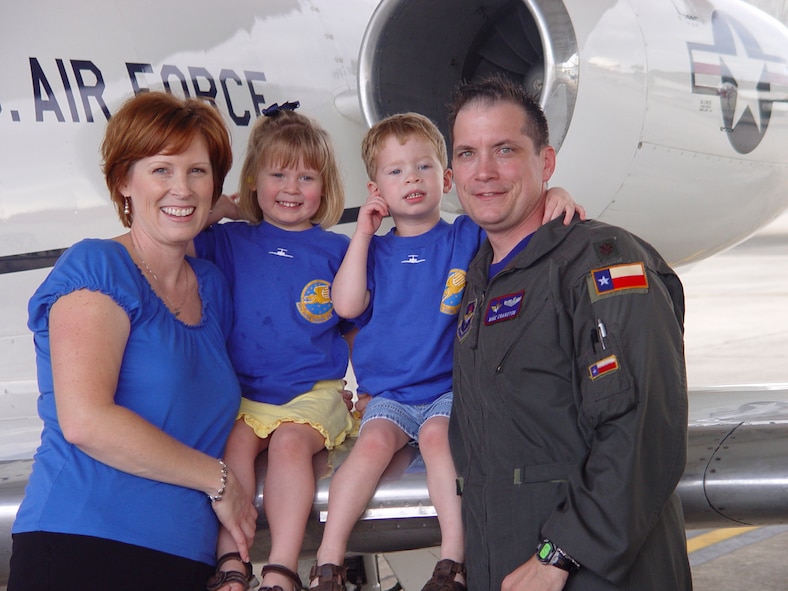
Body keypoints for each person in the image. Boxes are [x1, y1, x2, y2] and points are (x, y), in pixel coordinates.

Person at [310, 112, 584, 591]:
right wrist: (363, 232)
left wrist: (552, 196)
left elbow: (524, 223)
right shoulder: (370, 252)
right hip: (388, 397)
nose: (411, 179)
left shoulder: (466, 236)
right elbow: (346, 304)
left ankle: (453, 559)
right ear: (376, 189)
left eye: (424, 167)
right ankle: (329, 561)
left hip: (447, 392)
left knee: (439, 441)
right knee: (369, 449)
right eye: (395, 172)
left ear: (448, 179)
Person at [447, 75, 692, 591]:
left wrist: (558, 555)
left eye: (505, 150)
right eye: (467, 153)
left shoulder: (602, 262)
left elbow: (641, 427)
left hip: (592, 575)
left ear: (547, 162)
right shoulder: (478, 283)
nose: (484, 171)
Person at [7, 92, 258, 591]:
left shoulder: (210, 286)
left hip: (184, 558)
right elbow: (86, 421)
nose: (181, 188)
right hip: (81, 546)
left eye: (198, 171)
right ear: (124, 181)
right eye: (161, 170)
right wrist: (219, 481)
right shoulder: (97, 267)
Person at [191, 104, 357, 591]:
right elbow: (181, 234)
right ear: (254, 182)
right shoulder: (229, 241)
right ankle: (232, 564)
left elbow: (352, 327)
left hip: (312, 392)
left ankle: (281, 569)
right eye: (278, 174)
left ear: (324, 188)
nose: (290, 189)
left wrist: (368, 386)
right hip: (246, 394)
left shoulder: (337, 251)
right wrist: (223, 206)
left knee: (287, 447)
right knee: (233, 452)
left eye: (306, 178)